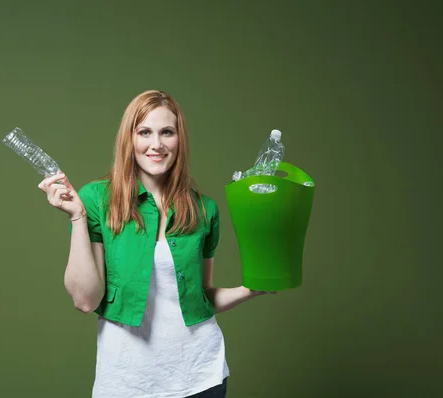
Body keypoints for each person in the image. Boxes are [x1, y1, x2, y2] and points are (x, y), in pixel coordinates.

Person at [38, 90, 274, 398]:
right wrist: (78, 217)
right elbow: (86, 300)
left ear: (179, 140)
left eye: (167, 132)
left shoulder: (204, 210)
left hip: (201, 377)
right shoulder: (96, 200)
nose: (157, 145)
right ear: (129, 139)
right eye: (144, 132)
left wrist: (251, 289)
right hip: (127, 383)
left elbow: (200, 298)